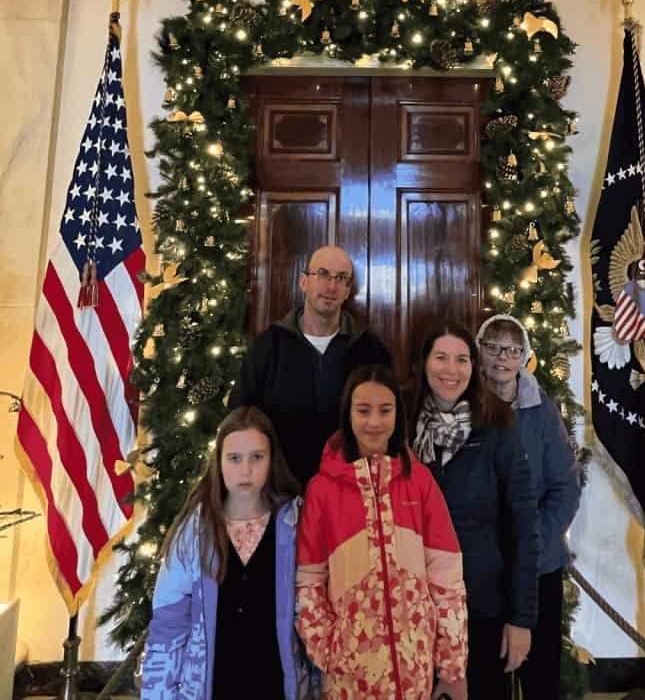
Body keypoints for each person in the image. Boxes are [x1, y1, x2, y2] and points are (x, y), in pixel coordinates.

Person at [296, 364, 469, 700]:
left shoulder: (420, 483)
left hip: (414, 674)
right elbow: (308, 582)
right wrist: (328, 649)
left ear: (397, 415)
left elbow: (447, 580)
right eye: (363, 411)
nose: (374, 422)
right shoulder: (321, 490)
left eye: (385, 410)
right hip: (348, 677)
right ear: (348, 415)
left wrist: (450, 665)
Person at [141, 407, 314, 700]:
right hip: (214, 689)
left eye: (257, 457)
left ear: (272, 460)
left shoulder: (295, 522)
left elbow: (312, 613)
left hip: (277, 688)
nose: (245, 470)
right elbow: (169, 624)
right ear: (219, 462)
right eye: (234, 459)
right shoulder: (194, 529)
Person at [410, 322, 540, 699]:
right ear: (424, 362)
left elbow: (524, 523)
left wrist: (521, 619)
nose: (451, 370)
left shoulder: (498, 423)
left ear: (474, 366)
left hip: (481, 604)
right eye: (441, 357)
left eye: (462, 359)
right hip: (413, 603)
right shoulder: (401, 420)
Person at [477, 314, 581, 700]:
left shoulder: (542, 412)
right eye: (493, 347)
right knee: (486, 678)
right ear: (479, 351)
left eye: (513, 349)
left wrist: (531, 540)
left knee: (540, 680)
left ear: (525, 356)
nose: (503, 357)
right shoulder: (464, 409)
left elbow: (565, 486)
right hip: (483, 570)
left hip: (537, 567)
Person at [229, 245, 392, 488]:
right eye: (323, 274)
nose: (331, 286)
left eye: (341, 278)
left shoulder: (370, 351)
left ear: (348, 290)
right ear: (304, 281)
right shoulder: (268, 347)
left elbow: (387, 423)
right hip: (279, 493)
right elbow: (239, 417)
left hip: (349, 492)